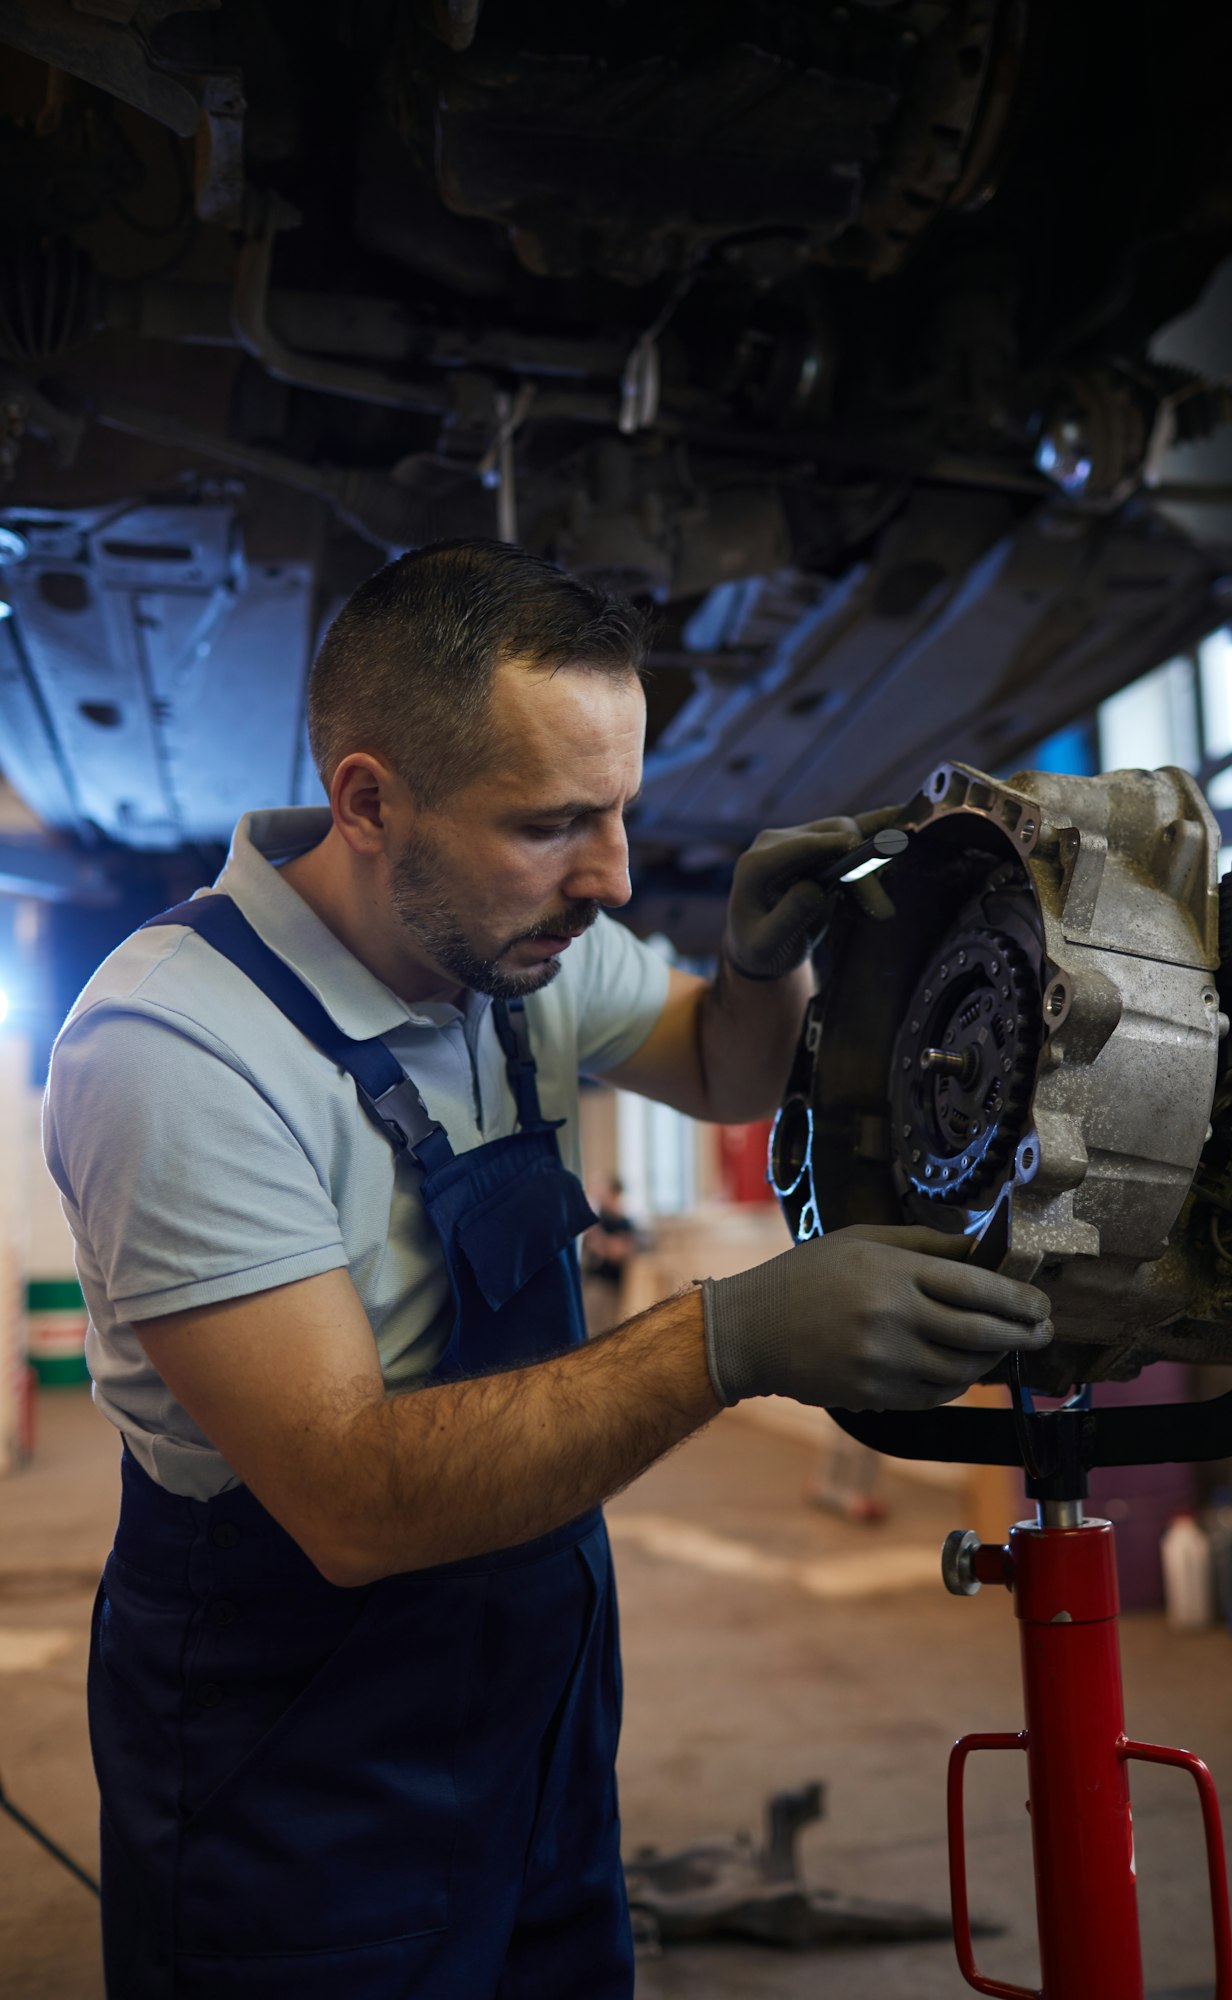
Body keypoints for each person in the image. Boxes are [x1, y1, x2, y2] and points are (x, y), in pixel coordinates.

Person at [43, 540, 1052, 2000]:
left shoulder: (514, 947)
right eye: (553, 822)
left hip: (539, 1707)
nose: (615, 874)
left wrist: (762, 967)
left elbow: (719, 1067)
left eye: (624, 810)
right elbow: (350, 1502)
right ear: (370, 801)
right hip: (297, 1756)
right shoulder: (174, 1052)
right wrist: (730, 1340)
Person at [582, 1174, 640, 1337]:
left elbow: (618, 1252)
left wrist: (599, 1240)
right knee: (590, 1331)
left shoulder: (623, 1222)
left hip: (611, 1284)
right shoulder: (597, 1220)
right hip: (594, 1283)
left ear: (614, 1193)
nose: (599, 1193)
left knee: (607, 1332)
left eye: (603, 1189)